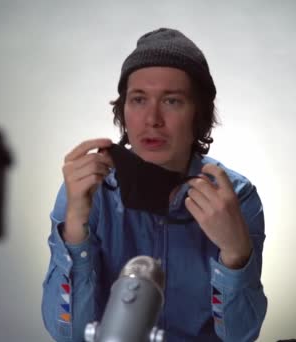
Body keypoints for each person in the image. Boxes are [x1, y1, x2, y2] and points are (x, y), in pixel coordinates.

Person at [42, 28, 267, 341]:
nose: (152, 119)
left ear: (198, 114)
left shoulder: (235, 197)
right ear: (123, 110)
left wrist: (235, 253)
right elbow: (69, 334)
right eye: (138, 100)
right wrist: (76, 231)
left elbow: (239, 336)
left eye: (172, 101)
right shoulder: (88, 192)